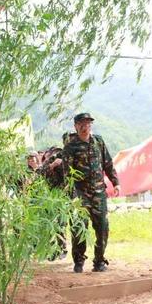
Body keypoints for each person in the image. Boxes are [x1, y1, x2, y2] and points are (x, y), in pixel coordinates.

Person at [62, 113, 120, 273]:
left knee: (102, 227)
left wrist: (116, 182)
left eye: (87, 123)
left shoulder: (98, 142)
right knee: (79, 227)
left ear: (91, 125)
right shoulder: (70, 146)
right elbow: (67, 174)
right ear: (75, 126)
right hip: (80, 194)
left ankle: (99, 261)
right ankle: (79, 261)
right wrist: (71, 196)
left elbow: (107, 163)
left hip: (99, 193)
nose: (85, 126)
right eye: (81, 123)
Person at [39, 146, 68, 260]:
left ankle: (62, 249)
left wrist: (62, 164)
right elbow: (41, 173)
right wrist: (52, 165)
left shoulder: (66, 162)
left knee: (61, 224)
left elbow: (71, 176)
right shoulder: (47, 164)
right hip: (49, 199)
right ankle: (52, 251)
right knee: (49, 225)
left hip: (61, 198)